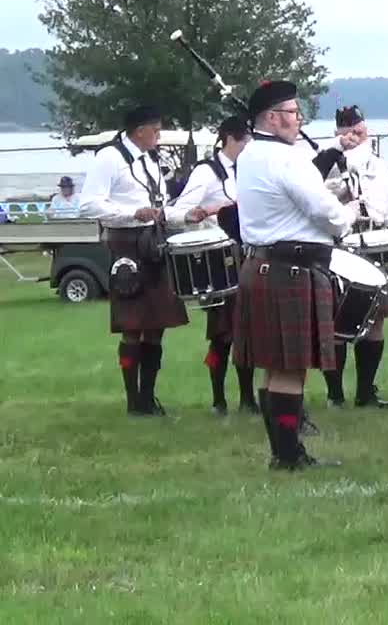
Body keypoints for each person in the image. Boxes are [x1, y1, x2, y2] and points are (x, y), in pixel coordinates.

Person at [234, 80, 358, 470]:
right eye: (292, 112)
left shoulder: (252, 153)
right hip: (290, 269)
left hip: (264, 265)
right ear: (271, 118)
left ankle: (283, 452)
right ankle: (289, 456)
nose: (298, 118)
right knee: (290, 369)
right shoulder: (285, 158)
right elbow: (322, 209)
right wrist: (349, 215)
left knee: (275, 368)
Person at [80, 105, 190, 416]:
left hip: (155, 243)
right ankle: (133, 401)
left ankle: (147, 397)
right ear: (139, 130)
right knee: (132, 326)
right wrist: (131, 213)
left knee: (157, 325)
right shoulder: (110, 158)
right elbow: (88, 204)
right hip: (128, 244)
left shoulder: (152, 161)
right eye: (156, 131)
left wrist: (185, 215)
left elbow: (159, 203)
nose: (159, 136)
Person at [165, 116, 257, 416]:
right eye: (245, 140)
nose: (249, 146)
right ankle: (218, 399)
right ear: (230, 138)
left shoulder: (251, 169)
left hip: (249, 256)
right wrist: (209, 212)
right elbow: (181, 211)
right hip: (220, 263)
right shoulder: (207, 172)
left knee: (248, 333)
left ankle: (247, 399)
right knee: (222, 336)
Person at [321, 106, 388, 409]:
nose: (358, 136)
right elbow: (318, 200)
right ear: (340, 132)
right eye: (351, 131)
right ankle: (334, 395)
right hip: (340, 250)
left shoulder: (376, 165)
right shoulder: (328, 161)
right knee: (336, 323)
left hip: (373, 246)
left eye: (361, 130)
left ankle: (366, 392)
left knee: (376, 320)